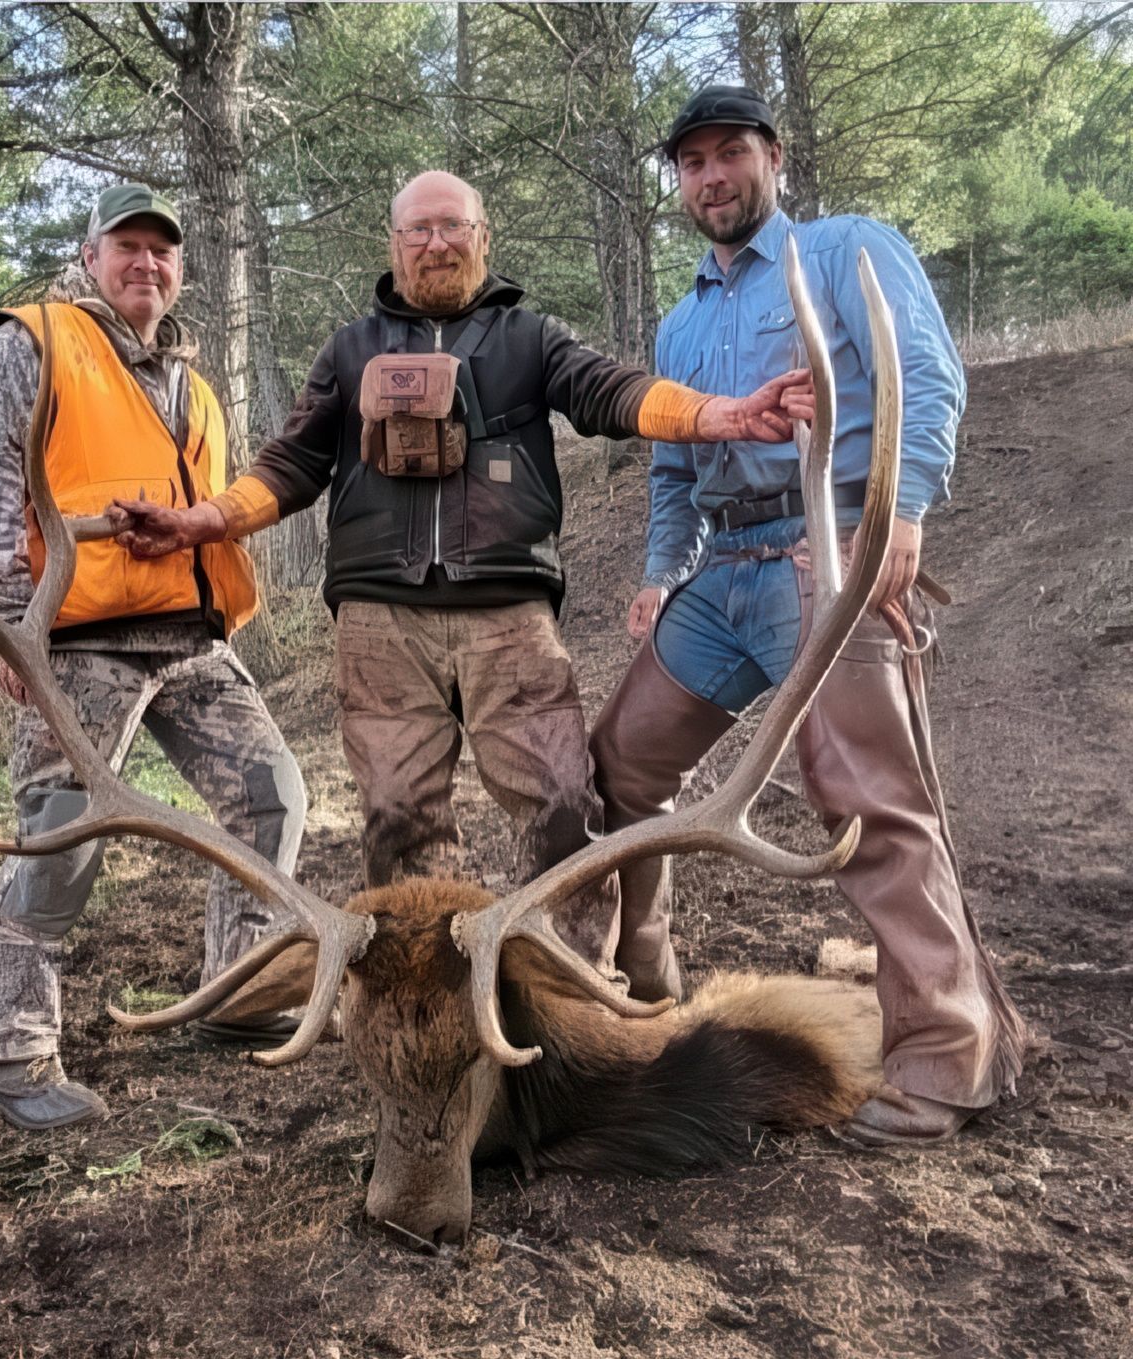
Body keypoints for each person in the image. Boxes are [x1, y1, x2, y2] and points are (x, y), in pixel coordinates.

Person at [114, 169, 811, 969]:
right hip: (379, 623)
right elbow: (292, 463)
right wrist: (206, 520)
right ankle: (432, 995)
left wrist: (717, 414)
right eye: (419, 229)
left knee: (561, 807)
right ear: (394, 244)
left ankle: (571, 986)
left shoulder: (529, 338)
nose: (437, 243)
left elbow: (612, 392)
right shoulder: (350, 350)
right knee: (399, 820)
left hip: (509, 618)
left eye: (454, 227)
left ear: (483, 239)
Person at [590, 87, 1024, 1145]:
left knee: (871, 801)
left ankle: (947, 1057)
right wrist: (662, 574)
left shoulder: (844, 250)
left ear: (772, 158)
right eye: (693, 163)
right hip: (724, 574)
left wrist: (902, 510)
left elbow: (927, 377)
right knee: (619, 768)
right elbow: (674, 476)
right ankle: (642, 994)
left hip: (824, 554)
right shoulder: (682, 322)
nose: (712, 177)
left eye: (730, 153)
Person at [0, 183, 308, 1130]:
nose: (147, 263)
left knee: (272, 795)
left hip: (188, 635)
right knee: (59, 839)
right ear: (90, 256)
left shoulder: (188, 377)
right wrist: (8, 621)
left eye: (162, 250)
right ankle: (15, 1053)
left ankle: (241, 991)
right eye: (127, 246)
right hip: (76, 638)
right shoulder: (36, 343)